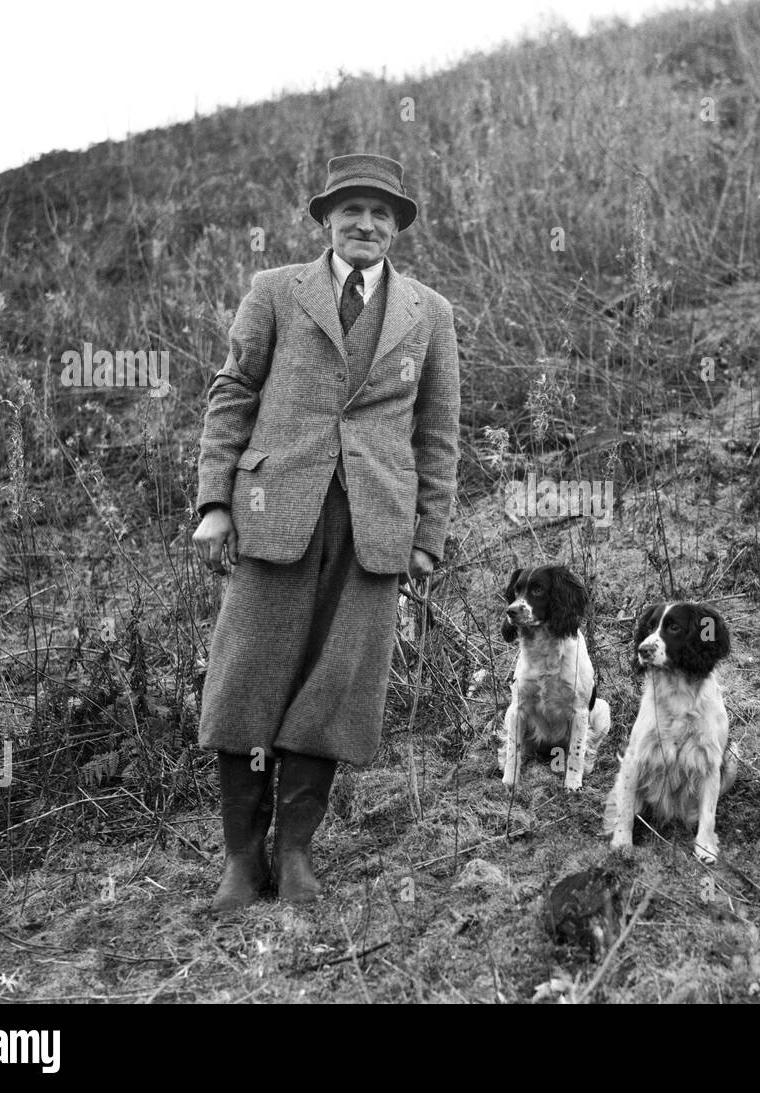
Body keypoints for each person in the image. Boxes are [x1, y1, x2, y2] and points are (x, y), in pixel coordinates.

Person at [191, 154, 460, 908]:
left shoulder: (429, 313)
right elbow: (232, 391)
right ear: (326, 221)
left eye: (381, 213)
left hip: (376, 526)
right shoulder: (275, 292)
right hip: (274, 515)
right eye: (351, 211)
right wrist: (215, 502)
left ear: (397, 226)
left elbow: (439, 435)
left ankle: (297, 851)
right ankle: (243, 861)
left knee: (335, 686)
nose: (366, 224)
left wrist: (426, 537)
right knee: (246, 680)